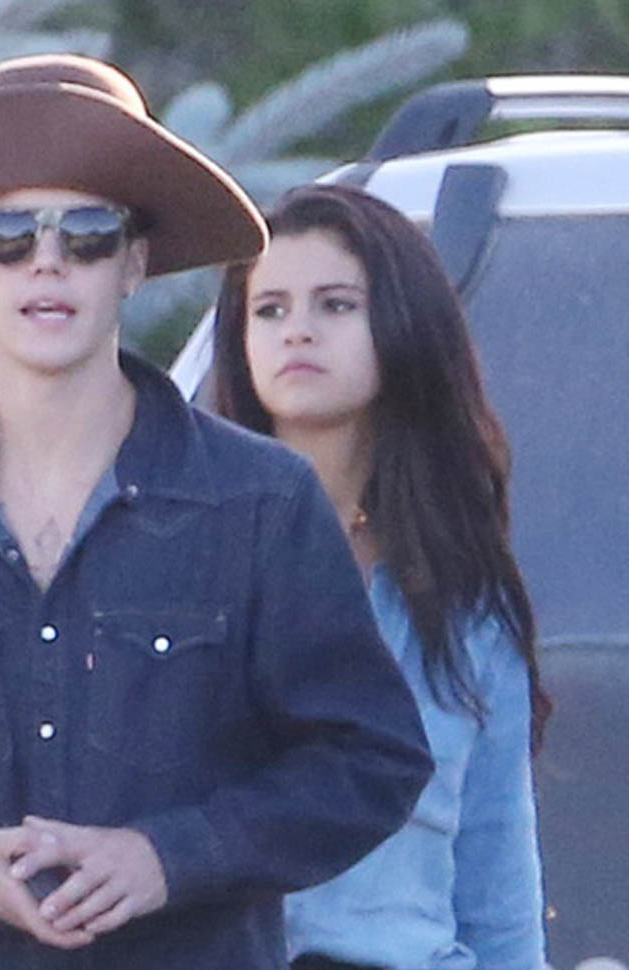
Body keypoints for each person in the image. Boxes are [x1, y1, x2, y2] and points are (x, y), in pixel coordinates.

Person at [0, 56, 433, 970]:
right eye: (7, 233)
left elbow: (371, 757)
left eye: (87, 232)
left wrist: (170, 858)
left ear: (135, 263)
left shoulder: (260, 499)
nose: (47, 260)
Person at [214, 182, 550, 970]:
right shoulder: (184, 563)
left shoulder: (465, 606)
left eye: (335, 304)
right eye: (269, 309)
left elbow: (497, 886)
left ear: (403, 323)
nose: (298, 329)